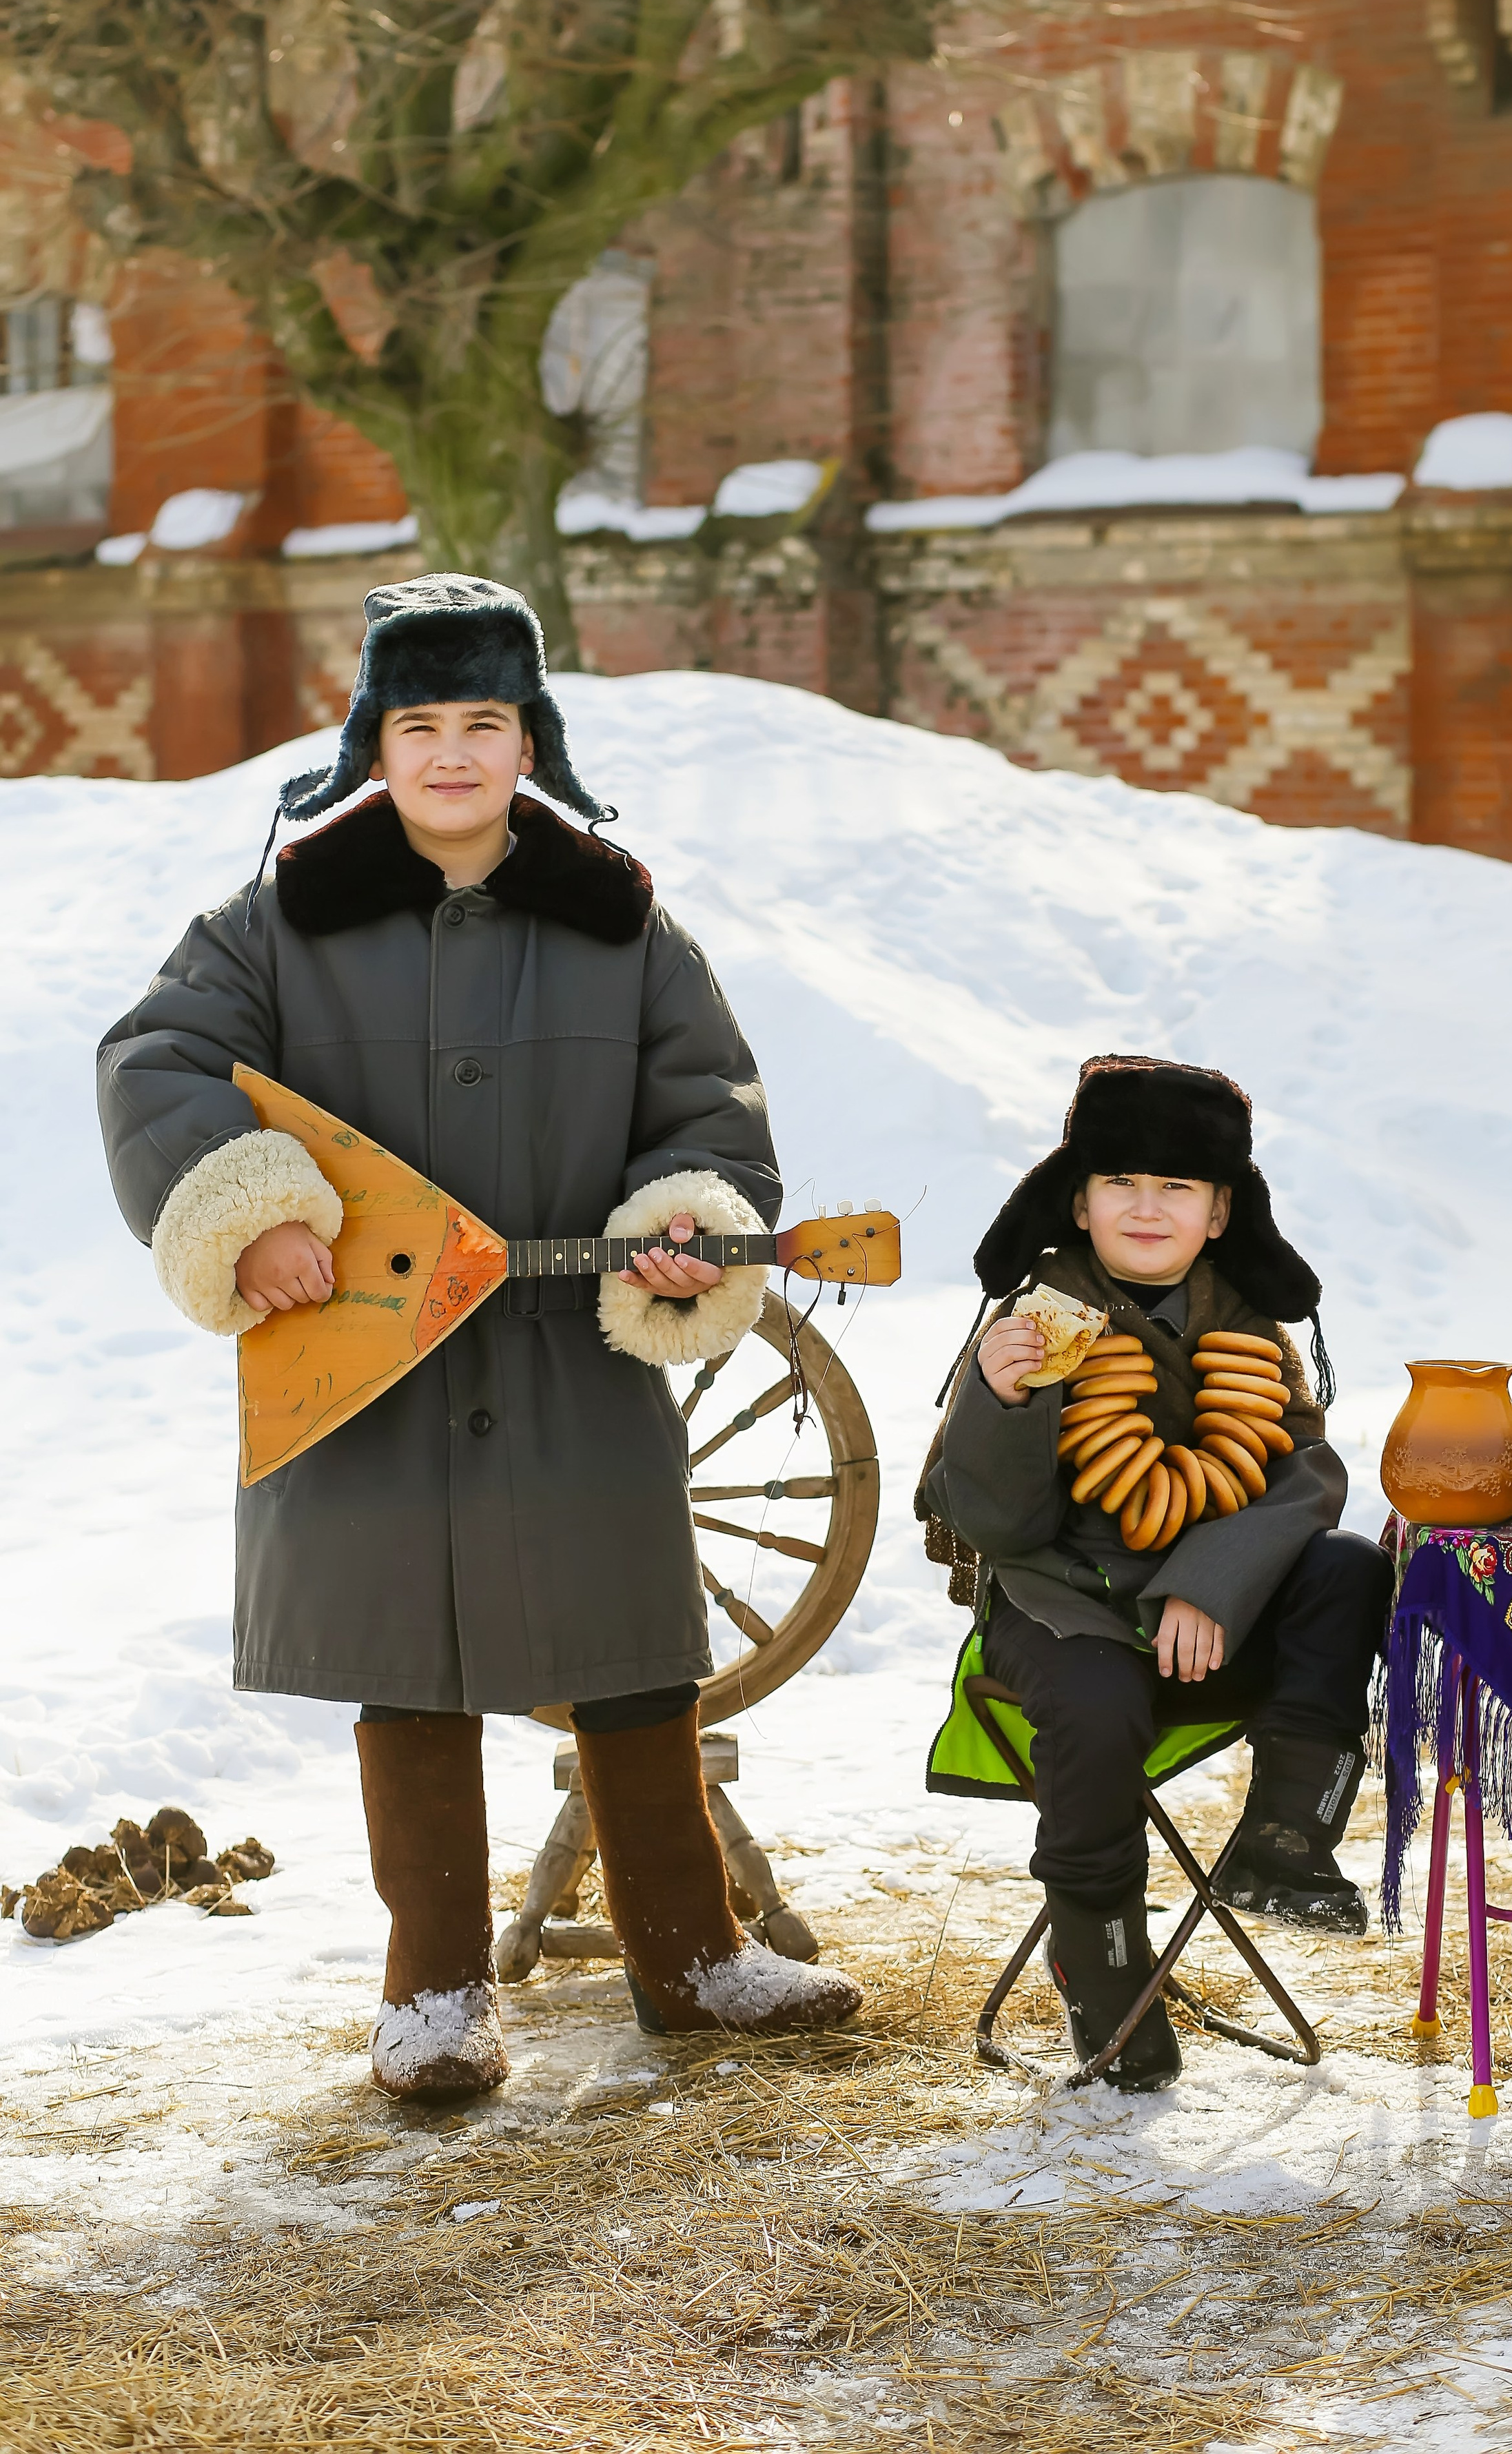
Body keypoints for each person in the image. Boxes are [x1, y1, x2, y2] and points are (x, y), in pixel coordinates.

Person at [97, 573, 859, 2100]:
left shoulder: (621, 925)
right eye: (419, 721)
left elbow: (707, 1101)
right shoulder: (272, 923)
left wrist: (681, 1208)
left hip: (572, 1355)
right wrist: (257, 1212)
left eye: (486, 722)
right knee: (412, 1661)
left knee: (634, 1655)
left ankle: (693, 1955)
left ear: (533, 742)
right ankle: (432, 1990)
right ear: (372, 741)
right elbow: (154, 1058)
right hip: (368, 1361)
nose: (452, 753)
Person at [919, 1054, 1391, 2091]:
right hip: (1065, 1608)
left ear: (1220, 1213)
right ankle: (1100, 1947)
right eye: (1120, 1184)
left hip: (1211, 1625)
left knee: (1351, 1568)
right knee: (1091, 1703)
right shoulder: (1029, 1325)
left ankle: (1283, 1840)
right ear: (1078, 1201)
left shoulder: (1255, 1331)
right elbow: (995, 1523)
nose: (1147, 1208)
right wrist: (1004, 1404)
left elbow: (1306, 1474)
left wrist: (1210, 1582)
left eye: (1176, 1188)